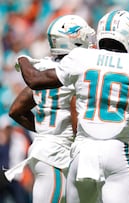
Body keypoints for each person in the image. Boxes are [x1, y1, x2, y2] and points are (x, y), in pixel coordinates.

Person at [16, 9, 129, 203]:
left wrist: (23, 59)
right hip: (116, 152)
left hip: (82, 151)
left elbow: (35, 80)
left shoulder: (81, 58)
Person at [4, 15, 96, 203]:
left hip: (45, 150)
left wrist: (46, 132)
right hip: (56, 155)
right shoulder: (75, 73)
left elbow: (16, 109)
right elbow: (76, 120)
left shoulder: (46, 69)